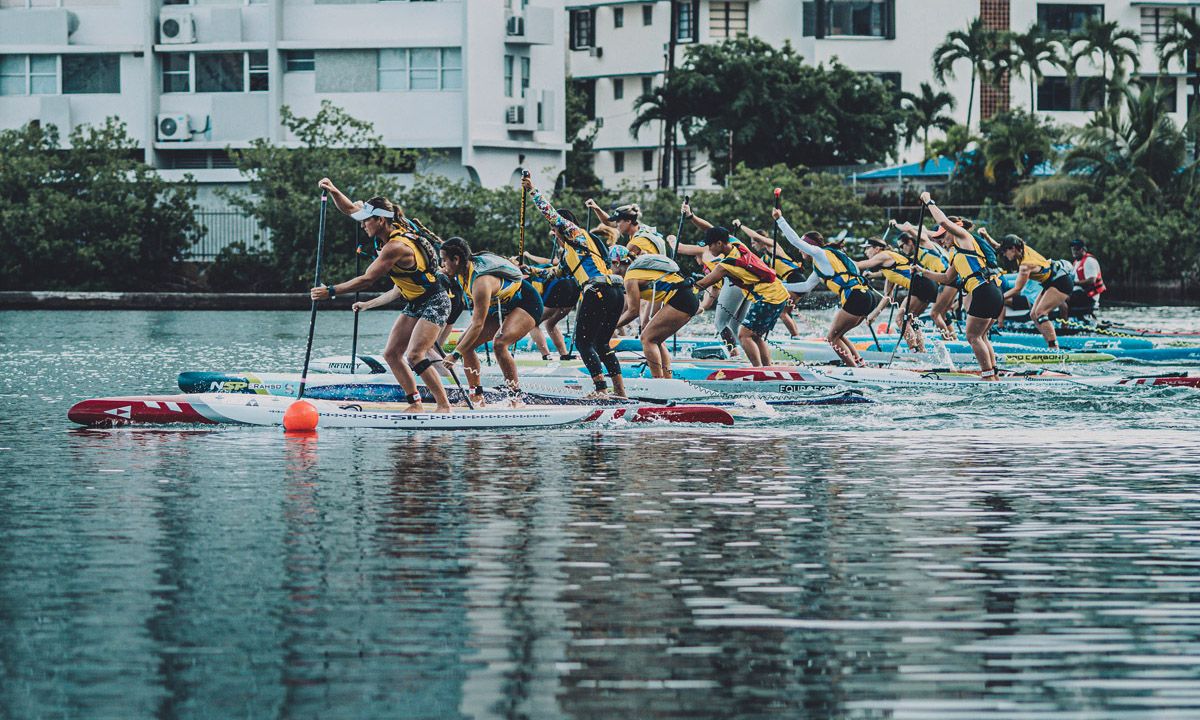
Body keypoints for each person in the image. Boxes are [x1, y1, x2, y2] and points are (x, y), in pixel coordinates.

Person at [309, 177, 452, 412]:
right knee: (392, 354)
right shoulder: (385, 226)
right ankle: (415, 403)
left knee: (415, 355)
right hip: (415, 301)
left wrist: (331, 291)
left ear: (380, 220)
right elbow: (349, 210)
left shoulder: (395, 247)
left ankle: (444, 406)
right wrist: (333, 189)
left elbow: (367, 279)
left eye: (367, 221)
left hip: (436, 301)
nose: (363, 225)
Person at [525, 174, 627, 398]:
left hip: (598, 290)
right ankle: (620, 391)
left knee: (582, 342)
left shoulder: (577, 234)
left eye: (555, 231)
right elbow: (555, 273)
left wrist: (532, 190)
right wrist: (529, 271)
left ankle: (601, 390)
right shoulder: (572, 252)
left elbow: (551, 215)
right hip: (615, 292)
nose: (554, 235)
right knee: (601, 343)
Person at [438, 238, 543, 403]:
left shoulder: (480, 282)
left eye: (444, 260)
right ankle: (477, 396)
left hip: (526, 301)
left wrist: (455, 355)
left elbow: (477, 324)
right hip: (500, 306)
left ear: (456, 259)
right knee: (465, 344)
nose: (442, 264)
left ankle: (516, 398)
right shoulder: (460, 273)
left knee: (499, 343)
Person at [911, 192, 1003, 379]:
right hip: (991, 292)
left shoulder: (963, 237)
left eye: (942, 237)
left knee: (973, 337)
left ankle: (988, 377)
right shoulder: (957, 253)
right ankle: (994, 376)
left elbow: (944, 222)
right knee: (982, 337)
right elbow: (946, 278)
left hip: (984, 291)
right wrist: (921, 271)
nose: (941, 242)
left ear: (951, 232)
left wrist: (928, 201)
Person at [774, 213, 873, 367]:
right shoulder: (828, 261)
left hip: (855, 297)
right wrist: (779, 284)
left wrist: (779, 219)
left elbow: (794, 241)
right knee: (839, 335)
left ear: (810, 246)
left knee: (832, 338)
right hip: (867, 296)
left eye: (803, 247)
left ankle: (854, 370)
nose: (801, 250)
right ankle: (861, 364)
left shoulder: (820, 253)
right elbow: (806, 286)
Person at [692, 225, 790, 366]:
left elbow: (704, 283)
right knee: (755, 336)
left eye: (710, 245)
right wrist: (691, 217)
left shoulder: (725, 266)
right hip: (778, 292)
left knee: (744, 335)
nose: (708, 249)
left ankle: (758, 371)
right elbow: (710, 228)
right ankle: (767, 369)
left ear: (719, 243)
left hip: (769, 297)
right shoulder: (738, 244)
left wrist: (684, 285)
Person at [613, 252, 699, 378]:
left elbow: (633, 312)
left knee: (647, 339)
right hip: (687, 297)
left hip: (682, 298)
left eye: (610, 265)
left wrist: (612, 326)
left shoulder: (630, 278)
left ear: (616, 263)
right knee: (656, 340)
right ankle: (666, 381)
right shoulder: (639, 273)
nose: (609, 269)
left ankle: (658, 381)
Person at [856, 234, 942, 351]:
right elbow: (888, 296)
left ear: (877, 249)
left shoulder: (883, 255)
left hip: (921, 284)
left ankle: (914, 351)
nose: (865, 251)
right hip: (928, 285)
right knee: (911, 320)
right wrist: (874, 315)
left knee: (901, 319)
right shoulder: (888, 268)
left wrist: (842, 263)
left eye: (867, 248)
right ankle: (921, 351)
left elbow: (861, 265)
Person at [997, 234, 1073, 349]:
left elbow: (1017, 289)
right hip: (1051, 281)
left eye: (1005, 251)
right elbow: (998, 246)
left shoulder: (1025, 266)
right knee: (1033, 314)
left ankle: (1054, 348)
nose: (1003, 254)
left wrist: (998, 298)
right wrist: (986, 236)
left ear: (1012, 249)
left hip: (1061, 282)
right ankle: (1050, 343)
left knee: (1041, 313)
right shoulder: (1023, 248)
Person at [523, 245, 579, 361]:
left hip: (559, 287)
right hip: (574, 287)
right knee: (550, 323)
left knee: (532, 323)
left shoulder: (527, 272)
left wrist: (528, 256)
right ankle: (564, 354)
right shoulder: (565, 259)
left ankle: (546, 355)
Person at [585, 198, 667, 257]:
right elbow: (609, 222)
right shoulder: (641, 229)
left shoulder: (637, 242)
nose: (616, 224)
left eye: (618, 221)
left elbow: (618, 262)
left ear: (628, 221)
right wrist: (596, 208)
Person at [1065, 239, 1105, 318]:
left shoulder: (1089, 261)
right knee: (1060, 295)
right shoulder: (1076, 263)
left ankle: (1064, 323)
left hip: (1089, 296)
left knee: (1061, 299)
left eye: (1077, 249)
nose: (1074, 251)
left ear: (1083, 249)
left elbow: (1092, 280)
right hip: (1079, 294)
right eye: (1072, 249)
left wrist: (1074, 283)